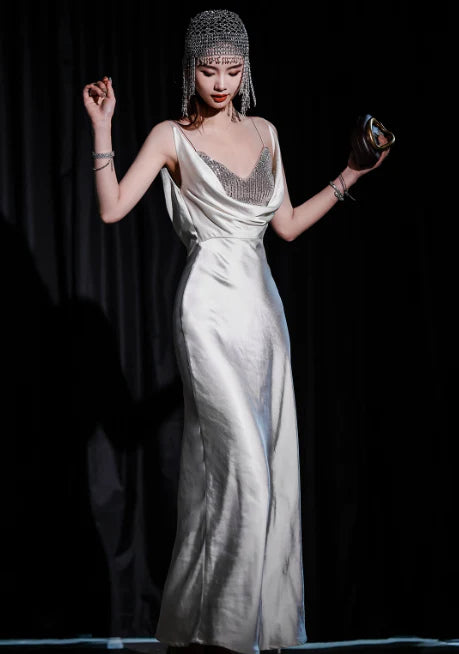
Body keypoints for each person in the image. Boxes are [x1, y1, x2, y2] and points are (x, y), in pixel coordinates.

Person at [82, 9, 390, 654]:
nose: (220, 82)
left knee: (261, 472)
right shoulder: (170, 136)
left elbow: (287, 226)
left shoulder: (266, 132)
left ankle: (222, 626)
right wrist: (103, 128)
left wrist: (352, 173)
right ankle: (225, 636)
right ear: (188, 70)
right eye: (208, 69)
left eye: (232, 69)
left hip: (263, 314)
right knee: (244, 468)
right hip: (207, 312)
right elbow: (112, 210)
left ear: (246, 69)